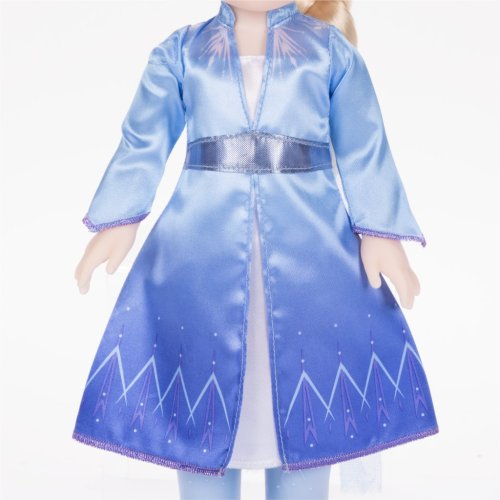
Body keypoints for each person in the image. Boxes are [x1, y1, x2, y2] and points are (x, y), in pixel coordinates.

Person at [72, 1, 439, 498]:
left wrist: (380, 230)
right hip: (199, 256)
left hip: (312, 256)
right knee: (200, 410)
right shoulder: (181, 51)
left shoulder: (328, 51)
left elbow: (364, 144)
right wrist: (119, 217)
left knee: (309, 412)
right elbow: (143, 140)